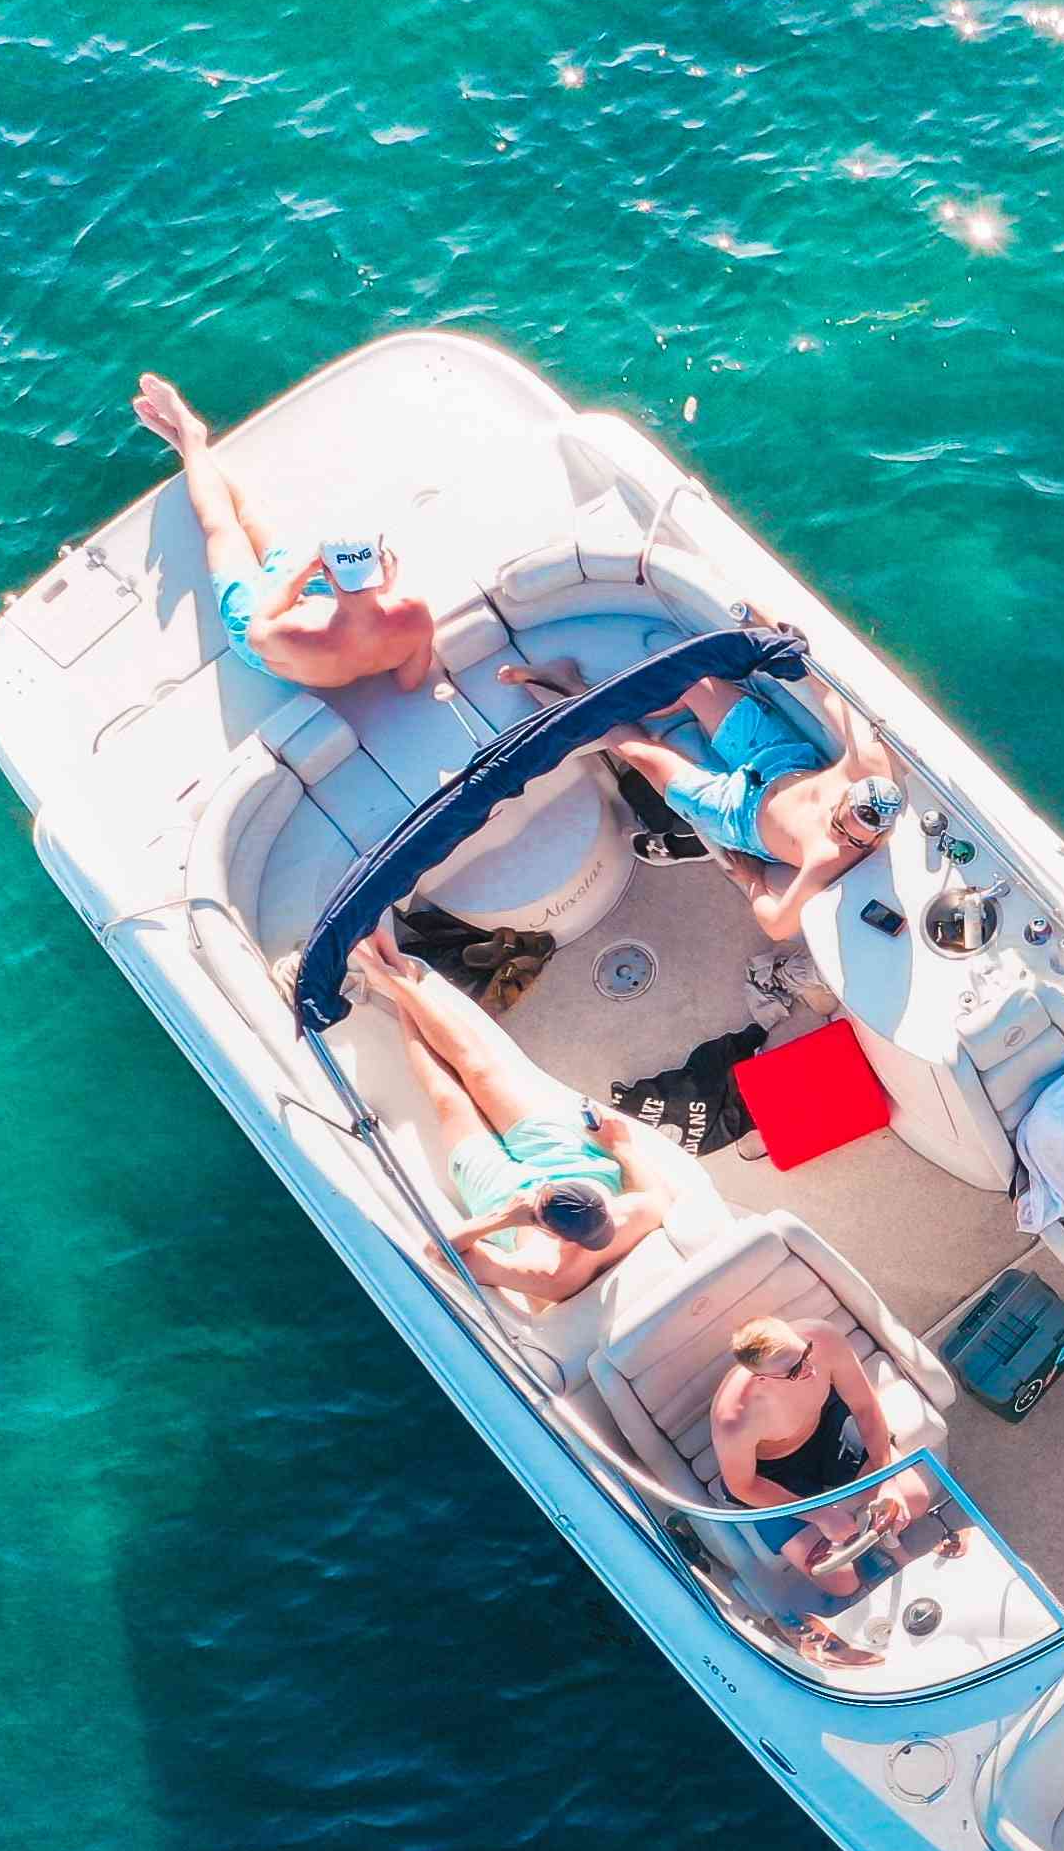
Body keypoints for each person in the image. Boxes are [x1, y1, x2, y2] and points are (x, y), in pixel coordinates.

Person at [351, 928, 673, 1309]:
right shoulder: (632, 1214)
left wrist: (505, 1218)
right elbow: (658, 1195)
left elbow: (439, 1252)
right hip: (570, 1163)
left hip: (502, 1197)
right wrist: (621, 1148)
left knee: (451, 1100)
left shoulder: (550, 1274)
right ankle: (397, 979)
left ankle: (400, 994)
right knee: (481, 1072)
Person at [135, 373, 437, 693]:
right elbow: (409, 682)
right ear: (380, 570)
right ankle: (192, 449)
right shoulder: (413, 612)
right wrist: (387, 600)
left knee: (224, 527)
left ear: (330, 575)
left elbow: (257, 629)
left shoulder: (296, 632)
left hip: (274, 621)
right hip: (319, 618)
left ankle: (191, 439)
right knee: (245, 516)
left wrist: (305, 571)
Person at [609, 669, 902, 944]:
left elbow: (777, 927)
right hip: (777, 757)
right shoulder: (868, 766)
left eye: (853, 839)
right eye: (838, 825)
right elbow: (830, 694)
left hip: (736, 817)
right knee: (694, 682)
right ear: (848, 793)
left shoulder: (829, 858)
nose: (839, 838)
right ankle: (653, 706)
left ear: (876, 838)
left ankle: (577, 691)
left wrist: (753, 882)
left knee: (636, 751)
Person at [720, 1315, 951, 1574]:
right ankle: (869, 1558)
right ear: (762, 1379)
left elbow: (864, 1407)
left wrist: (887, 1479)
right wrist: (821, 1514)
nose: (812, 1369)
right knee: (840, 1580)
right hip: (773, 1473)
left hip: (827, 1430)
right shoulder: (735, 1416)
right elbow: (742, 1485)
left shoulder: (822, 1337)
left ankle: (892, 1552)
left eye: (806, 1353)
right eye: (795, 1371)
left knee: (914, 1501)